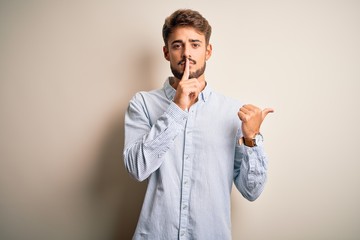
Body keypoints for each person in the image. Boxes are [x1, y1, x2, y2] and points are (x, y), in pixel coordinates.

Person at [123, 9, 274, 240]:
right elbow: (137, 169)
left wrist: (252, 139)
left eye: (195, 44)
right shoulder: (142, 103)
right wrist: (177, 108)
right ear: (166, 52)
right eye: (177, 45)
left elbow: (251, 191)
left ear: (208, 51)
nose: (186, 53)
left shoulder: (232, 112)